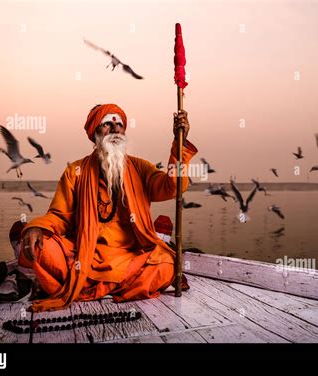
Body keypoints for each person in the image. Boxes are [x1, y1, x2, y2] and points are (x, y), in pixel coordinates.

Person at [15, 103, 197, 312]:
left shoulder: (140, 168)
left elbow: (172, 186)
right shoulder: (75, 171)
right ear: (94, 134)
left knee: (167, 266)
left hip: (130, 256)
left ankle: (85, 286)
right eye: (107, 123)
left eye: (119, 124)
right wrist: (36, 228)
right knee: (43, 248)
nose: (115, 128)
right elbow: (59, 216)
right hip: (84, 253)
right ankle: (113, 287)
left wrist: (178, 143)